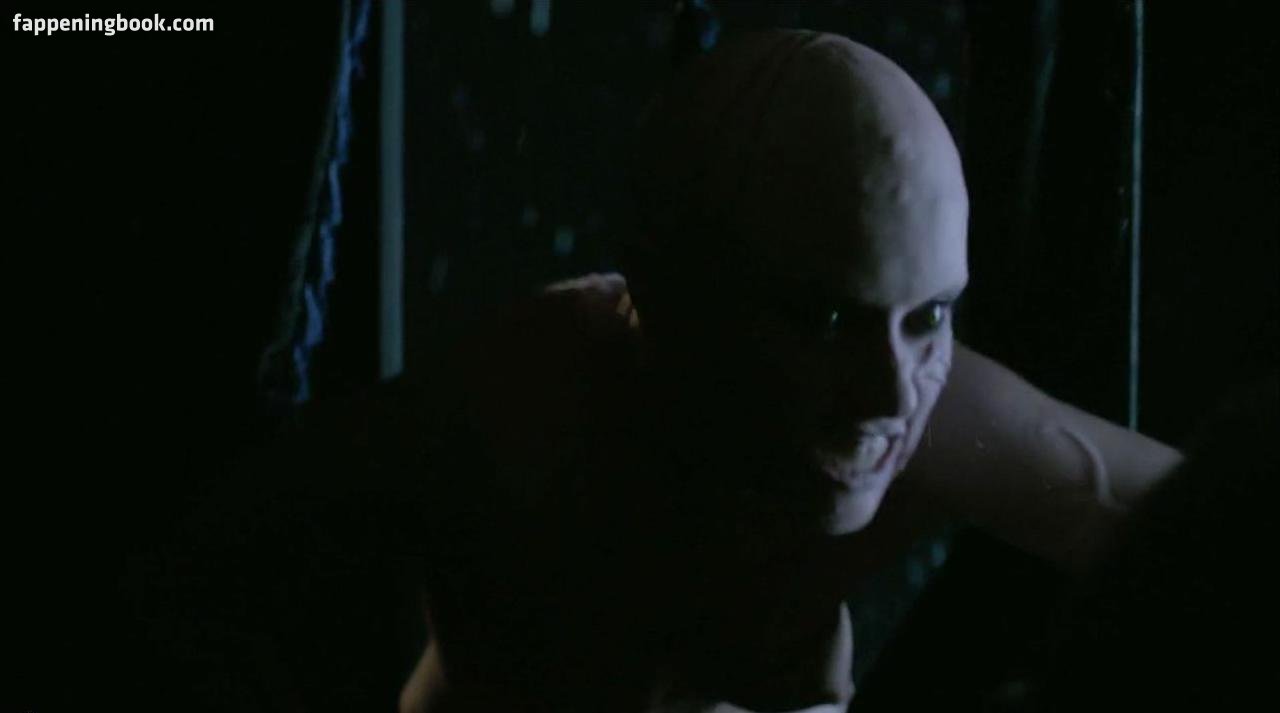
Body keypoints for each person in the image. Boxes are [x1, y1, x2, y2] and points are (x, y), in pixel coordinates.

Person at [399, 30, 1183, 713]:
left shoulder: (905, 397)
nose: (890, 393)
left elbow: (1206, 524)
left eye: (930, 315)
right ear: (676, 308)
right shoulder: (519, 428)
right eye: (828, 320)